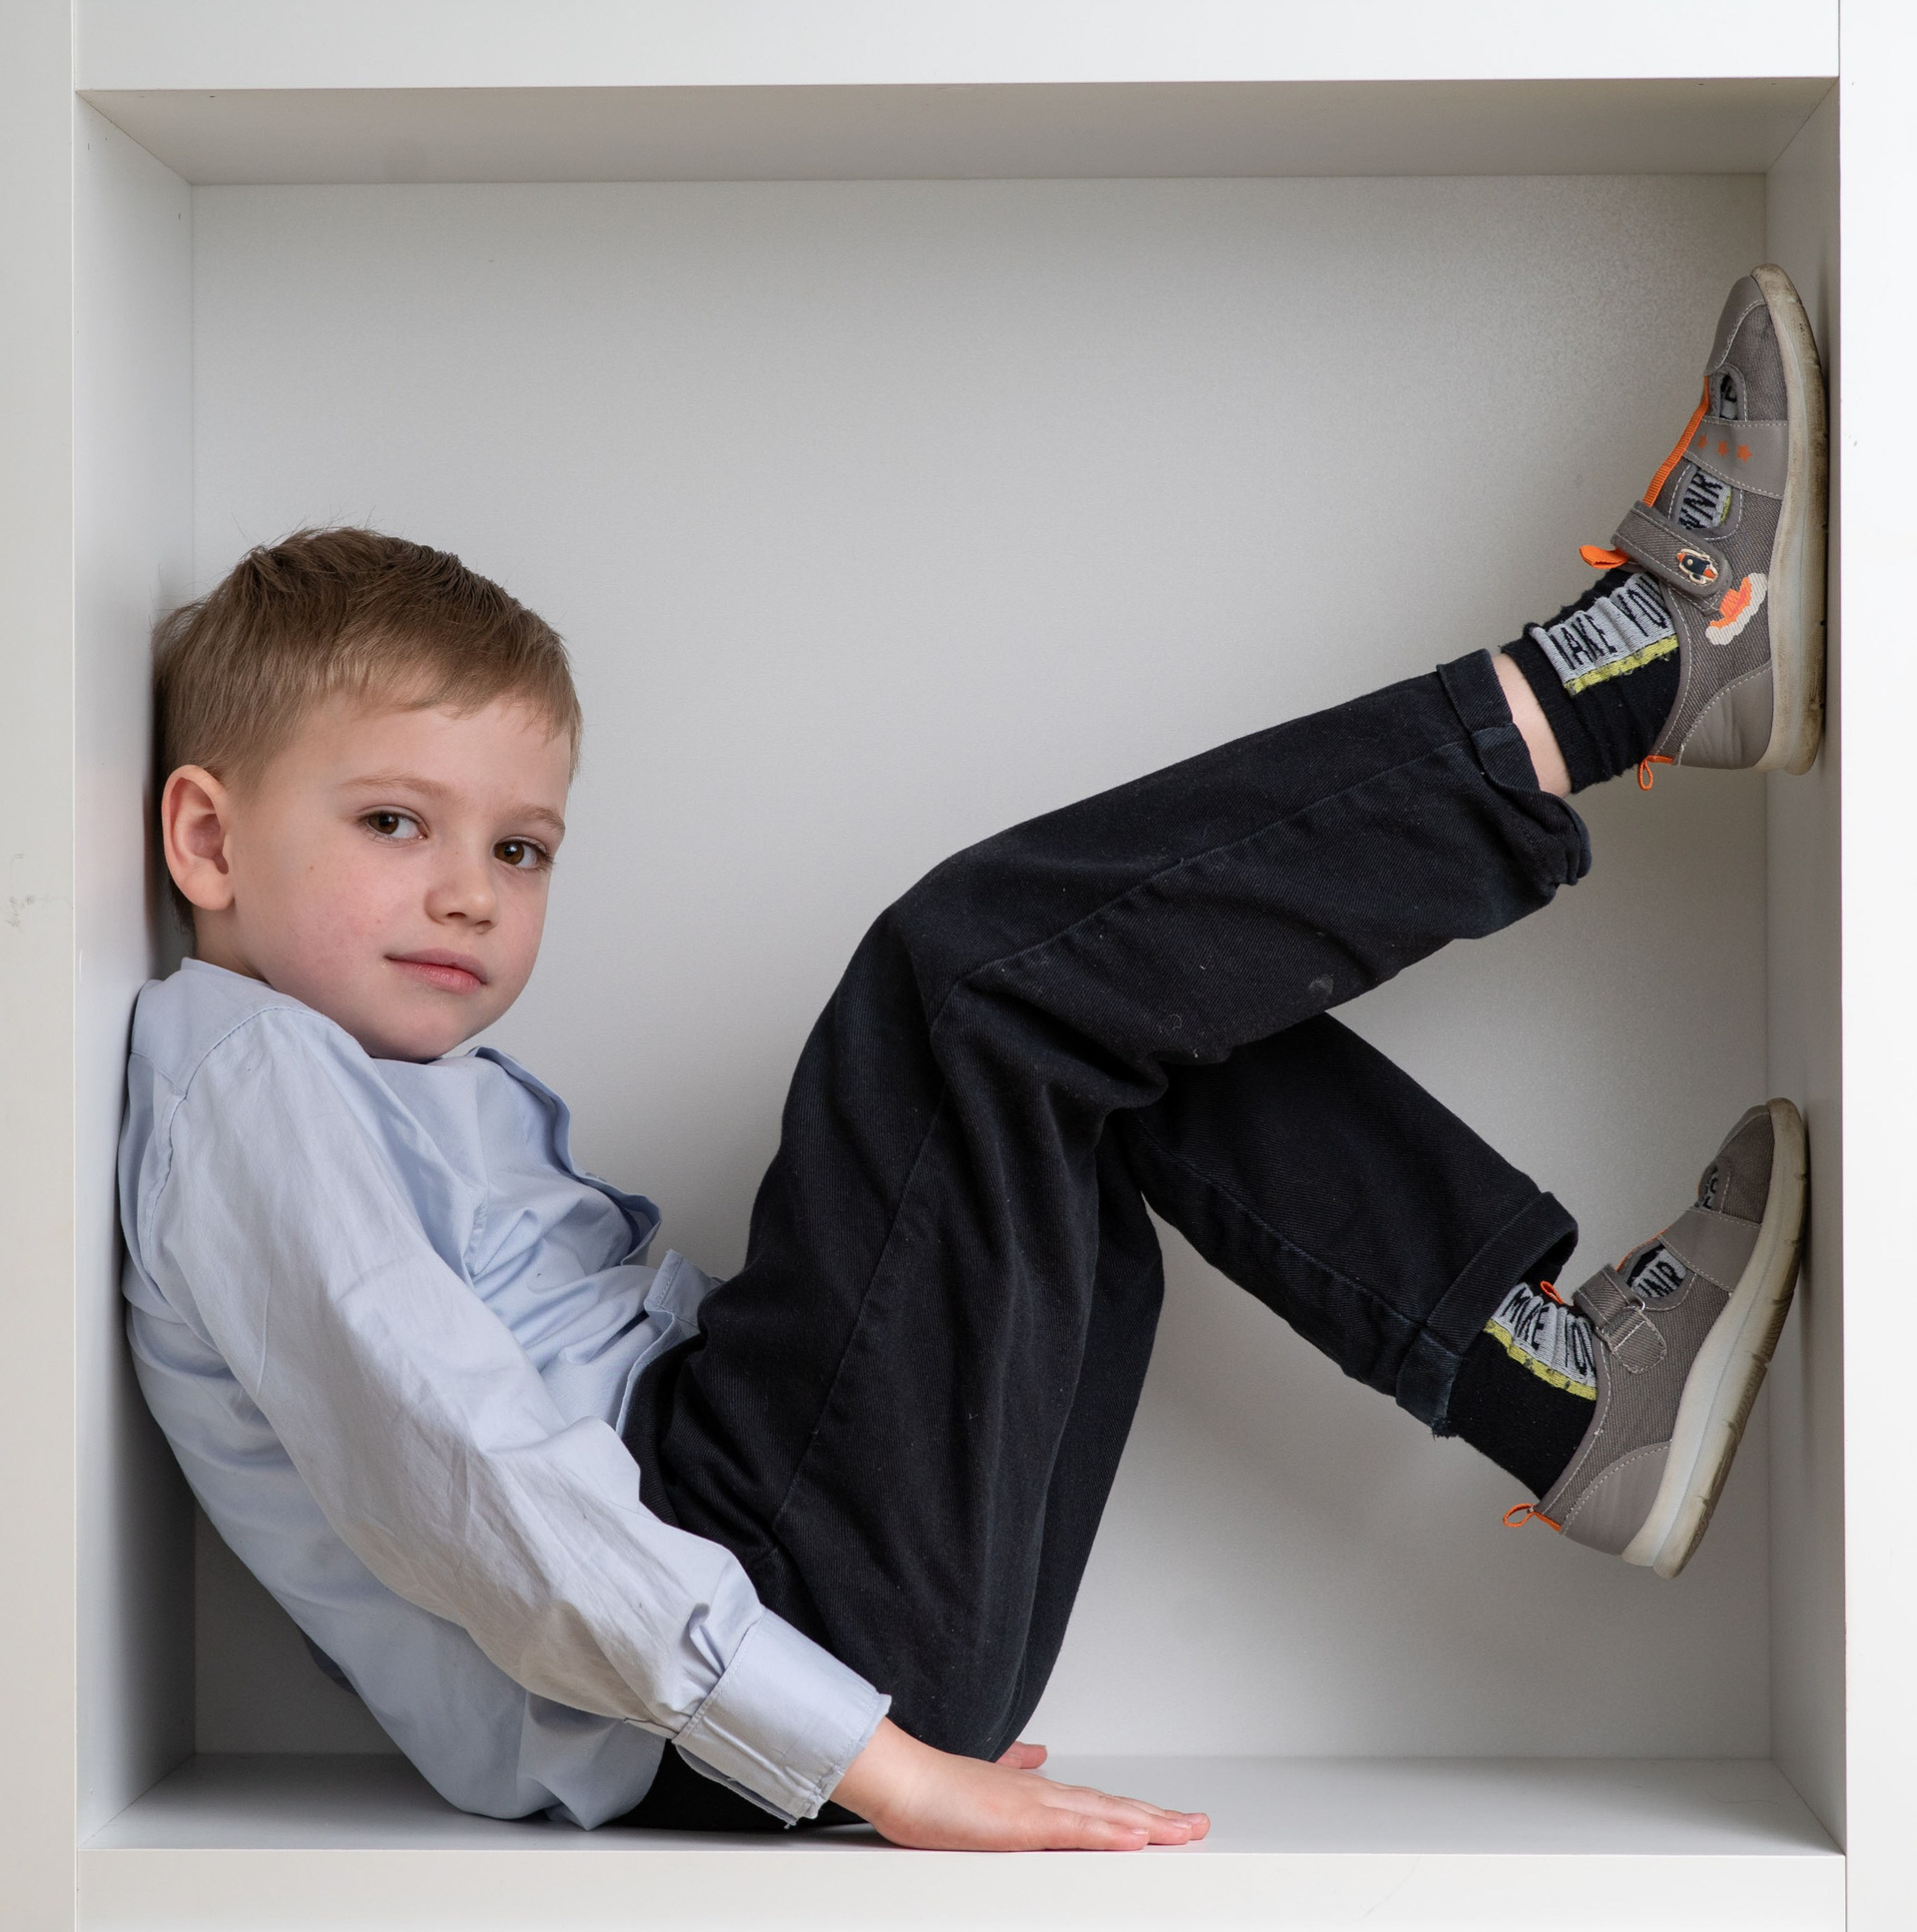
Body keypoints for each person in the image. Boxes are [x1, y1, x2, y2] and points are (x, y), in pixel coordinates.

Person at [120, 267, 1822, 1851]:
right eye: (395, 822)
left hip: (778, 1634)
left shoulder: (349, 1083)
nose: (469, 893)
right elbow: (461, 1476)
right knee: (966, 983)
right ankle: (1624, 675)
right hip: (744, 1640)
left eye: (520, 849)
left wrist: (862, 1730)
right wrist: (872, 1757)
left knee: (1108, 1000)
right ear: (204, 839)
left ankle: (1563, 1398)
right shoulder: (246, 1082)